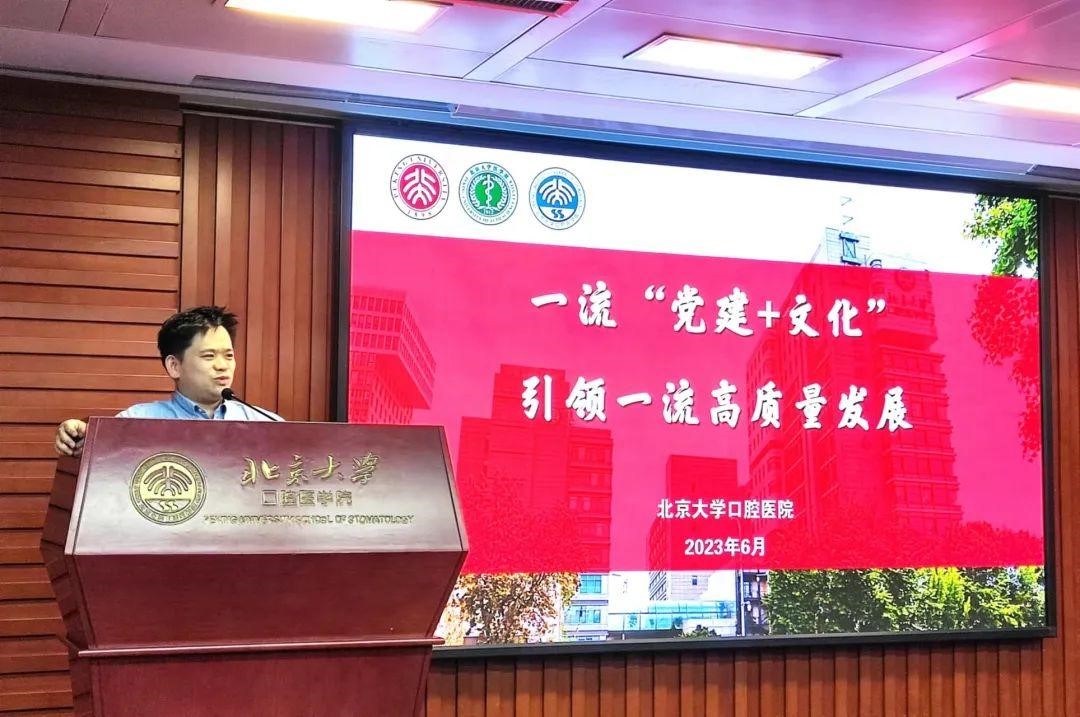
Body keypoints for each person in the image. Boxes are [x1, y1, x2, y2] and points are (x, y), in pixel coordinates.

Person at [54, 306, 282, 456]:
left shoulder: (268, 424)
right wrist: (80, 437)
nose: (223, 365)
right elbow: (100, 451)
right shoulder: (138, 421)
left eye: (229, 356)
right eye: (209, 356)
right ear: (174, 366)